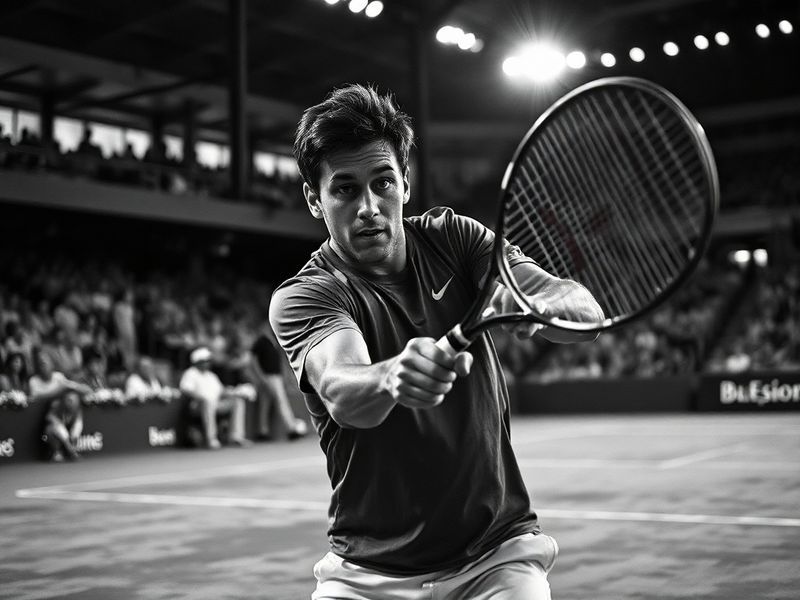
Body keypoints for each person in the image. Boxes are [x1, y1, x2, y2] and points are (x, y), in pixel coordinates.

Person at [269, 84, 603, 599]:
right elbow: (342, 390)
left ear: (406, 183)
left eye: (383, 182)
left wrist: (537, 305)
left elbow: (585, 308)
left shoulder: (457, 239)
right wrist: (391, 377)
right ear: (315, 199)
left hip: (495, 558)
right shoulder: (306, 295)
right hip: (366, 575)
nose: (368, 206)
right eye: (345, 189)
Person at [179, 346, 252, 449]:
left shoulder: (212, 375)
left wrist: (235, 393)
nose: (208, 363)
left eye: (208, 361)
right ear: (198, 362)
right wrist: (201, 397)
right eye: (205, 361)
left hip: (215, 404)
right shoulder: (190, 373)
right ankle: (211, 439)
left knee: (237, 401)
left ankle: (236, 437)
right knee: (208, 402)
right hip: (197, 406)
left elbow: (221, 391)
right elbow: (185, 389)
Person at [249, 321, 308, 441]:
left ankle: (262, 431)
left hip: (275, 376)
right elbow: (253, 360)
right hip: (269, 376)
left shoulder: (273, 340)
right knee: (281, 401)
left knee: (265, 404)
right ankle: (291, 428)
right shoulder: (261, 340)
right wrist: (261, 376)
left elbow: (278, 360)